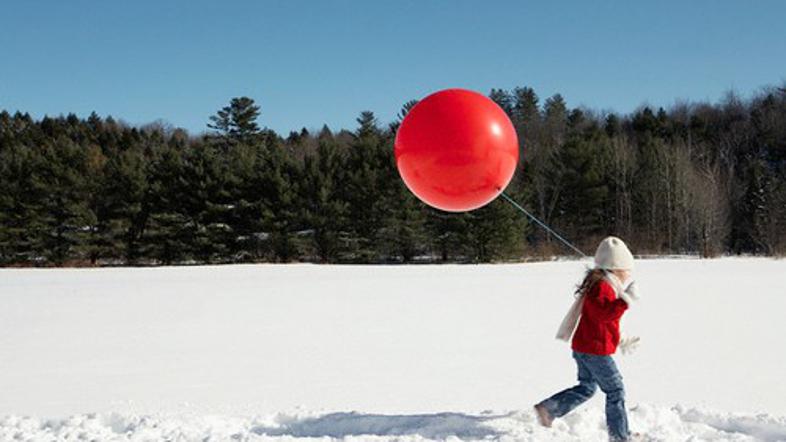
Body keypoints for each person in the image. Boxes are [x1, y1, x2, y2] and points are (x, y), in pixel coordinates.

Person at [534, 236, 642, 442]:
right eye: (627, 270)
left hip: (586, 347)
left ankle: (548, 409)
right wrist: (625, 300)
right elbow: (604, 314)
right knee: (616, 391)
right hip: (595, 351)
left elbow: (606, 322)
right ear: (615, 267)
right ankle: (619, 436)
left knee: (587, 387)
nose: (628, 275)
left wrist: (622, 339)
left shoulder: (604, 285)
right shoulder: (602, 287)